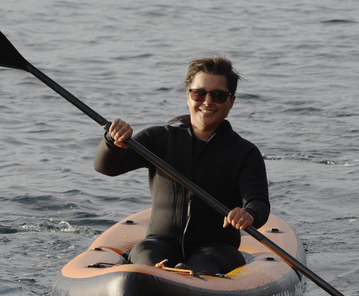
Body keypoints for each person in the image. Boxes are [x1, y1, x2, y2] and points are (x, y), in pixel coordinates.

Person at [94, 56, 270, 274]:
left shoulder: (245, 152)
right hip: (159, 242)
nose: (207, 102)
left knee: (204, 267)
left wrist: (248, 214)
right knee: (144, 254)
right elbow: (108, 168)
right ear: (188, 96)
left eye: (218, 95)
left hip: (217, 250)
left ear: (231, 101)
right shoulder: (158, 138)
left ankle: (188, 284)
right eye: (199, 93)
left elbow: (259, 203)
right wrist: (112, 142)